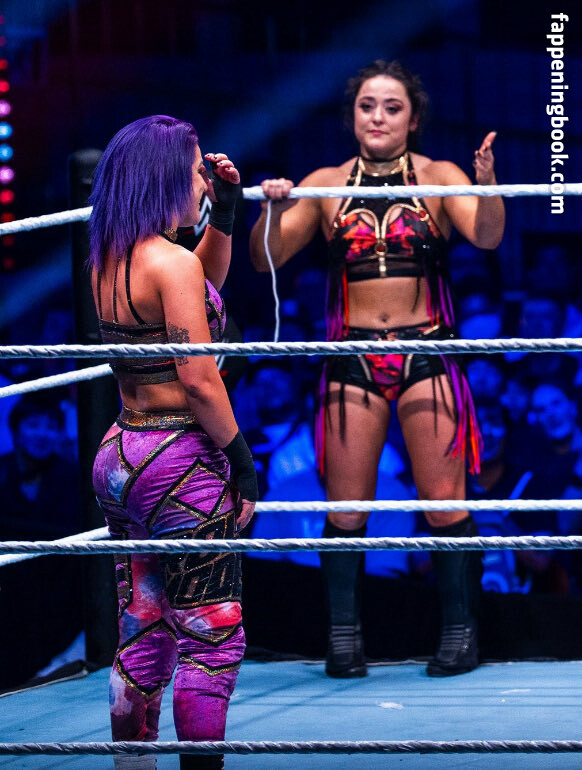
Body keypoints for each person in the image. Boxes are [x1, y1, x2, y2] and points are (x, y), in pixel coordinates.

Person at [250, 60, 505, 678]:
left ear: (413, 119)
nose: (379, 117)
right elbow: (265, 260)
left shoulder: (440, 176)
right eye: (368, 106)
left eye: (392, 107)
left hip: (428, 349)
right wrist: (274, 208)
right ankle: (344, 639)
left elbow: (488, 236)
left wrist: (487, 182)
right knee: (346, 507)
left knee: (443, 501)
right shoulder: (326, 183)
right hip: (352, 355)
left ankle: (460, 635)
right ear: (352, 116)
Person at [89, 115, 258, 770]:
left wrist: (226, 213)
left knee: (146, 626)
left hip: (122, 454)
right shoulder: (170, 264)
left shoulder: (110, 254)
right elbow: (199, 379)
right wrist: (242, 464)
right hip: (180, 464)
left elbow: (201, 289)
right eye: (195, 173)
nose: (202, 183)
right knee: (212, 642)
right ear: (164, 177)